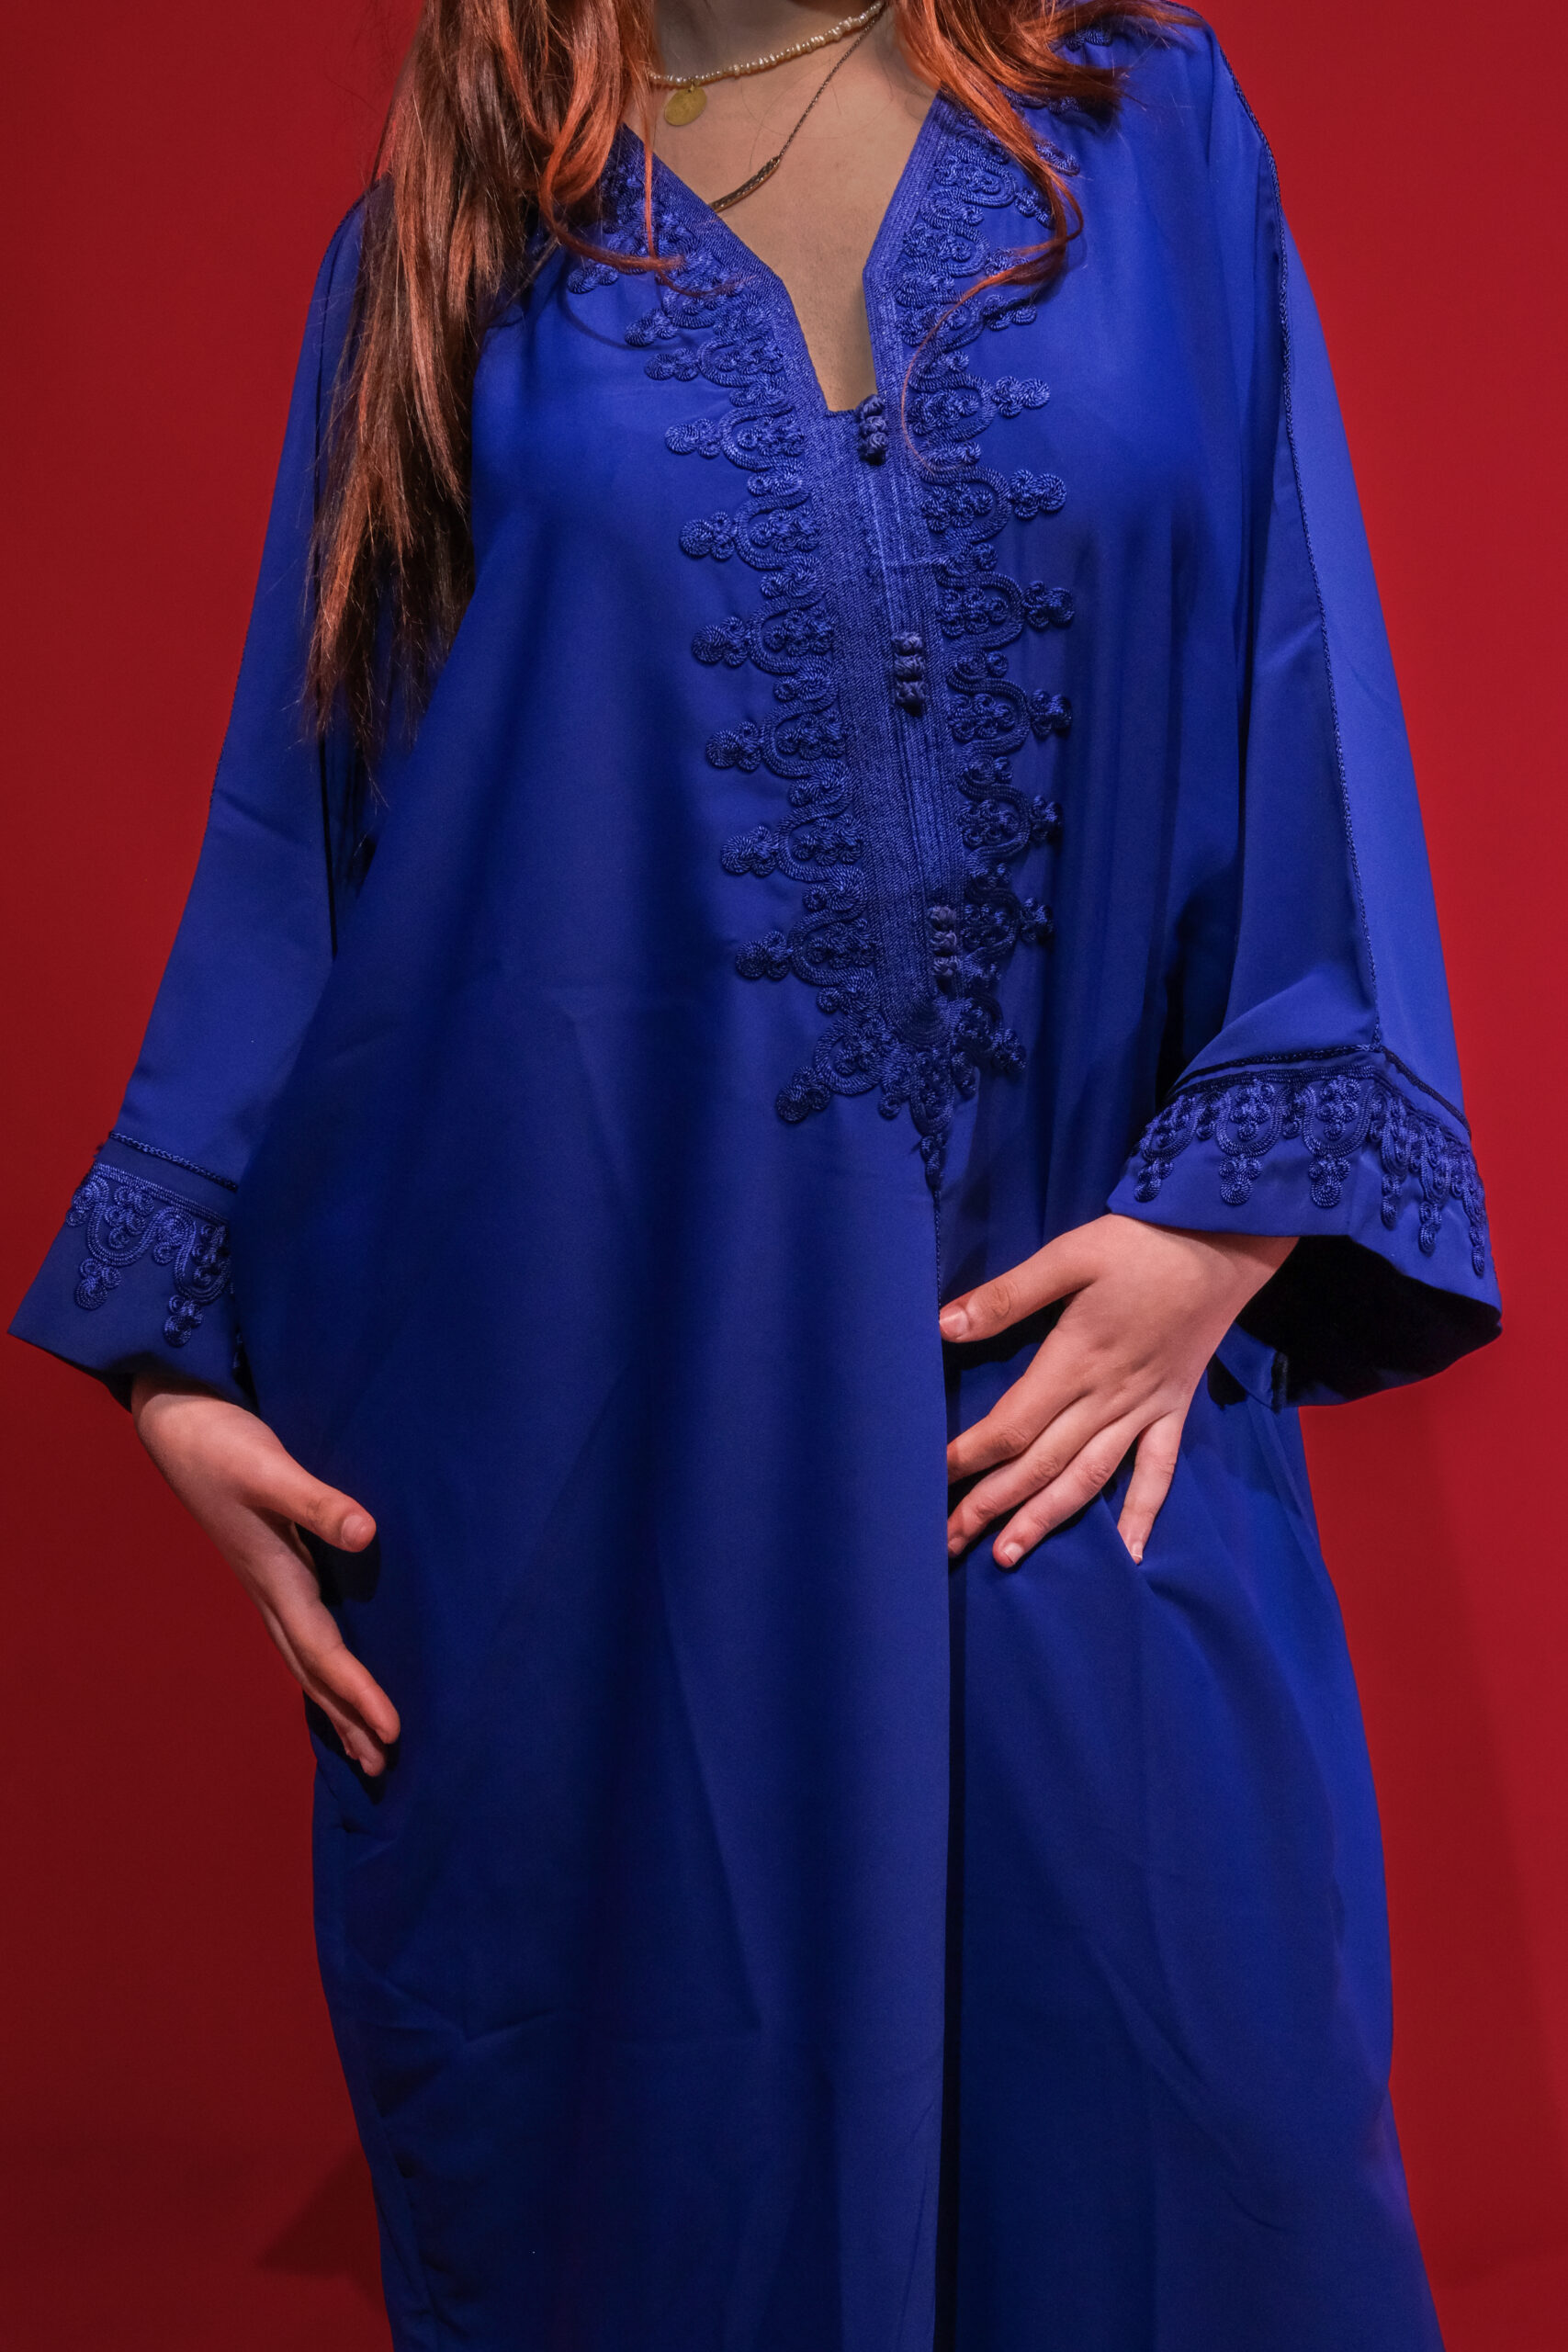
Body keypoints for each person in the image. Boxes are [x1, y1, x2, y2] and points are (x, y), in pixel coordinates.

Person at [12, 0, 1499, 2344]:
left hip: (1074, 1409)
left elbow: (1295, 664)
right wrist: (168, 1359)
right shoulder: (443, 249)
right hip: (609, 1467)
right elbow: (307, 835)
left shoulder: (1140, 128)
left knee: (1202, 2169)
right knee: (685, 2206)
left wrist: (1221, 1219)